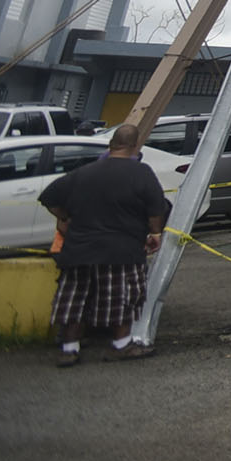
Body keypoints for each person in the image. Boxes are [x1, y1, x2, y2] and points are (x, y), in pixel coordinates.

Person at [40, 124, 169, 365]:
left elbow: (49, 197)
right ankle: (121, 345)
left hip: (79, 249)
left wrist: (64, 217)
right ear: (134, 147)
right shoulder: (141, 173)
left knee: (74, 299)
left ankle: (69, 349)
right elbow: (156, 208)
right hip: (121, 250)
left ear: (111, 145)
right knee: (122, 298)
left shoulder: (84, 172)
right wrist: (155, 233)